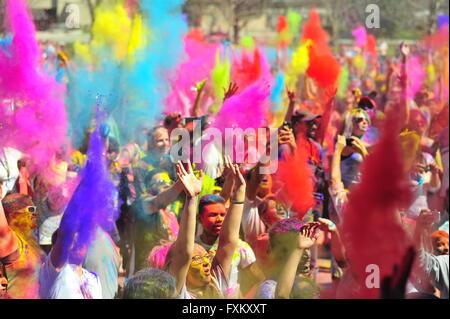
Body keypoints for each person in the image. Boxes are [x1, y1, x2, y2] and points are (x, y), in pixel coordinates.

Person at [194, 157, 263, 297]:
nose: (219, 219)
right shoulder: (193, 248)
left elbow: (260, 280)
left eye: (222, 214)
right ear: (199, 219)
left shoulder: (240, 247)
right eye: (213, 215)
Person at [0, 194, 45, 299]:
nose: (35, 214)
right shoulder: (12, 242)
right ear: (13, 215)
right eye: (30, 209)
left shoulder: (30, 239)